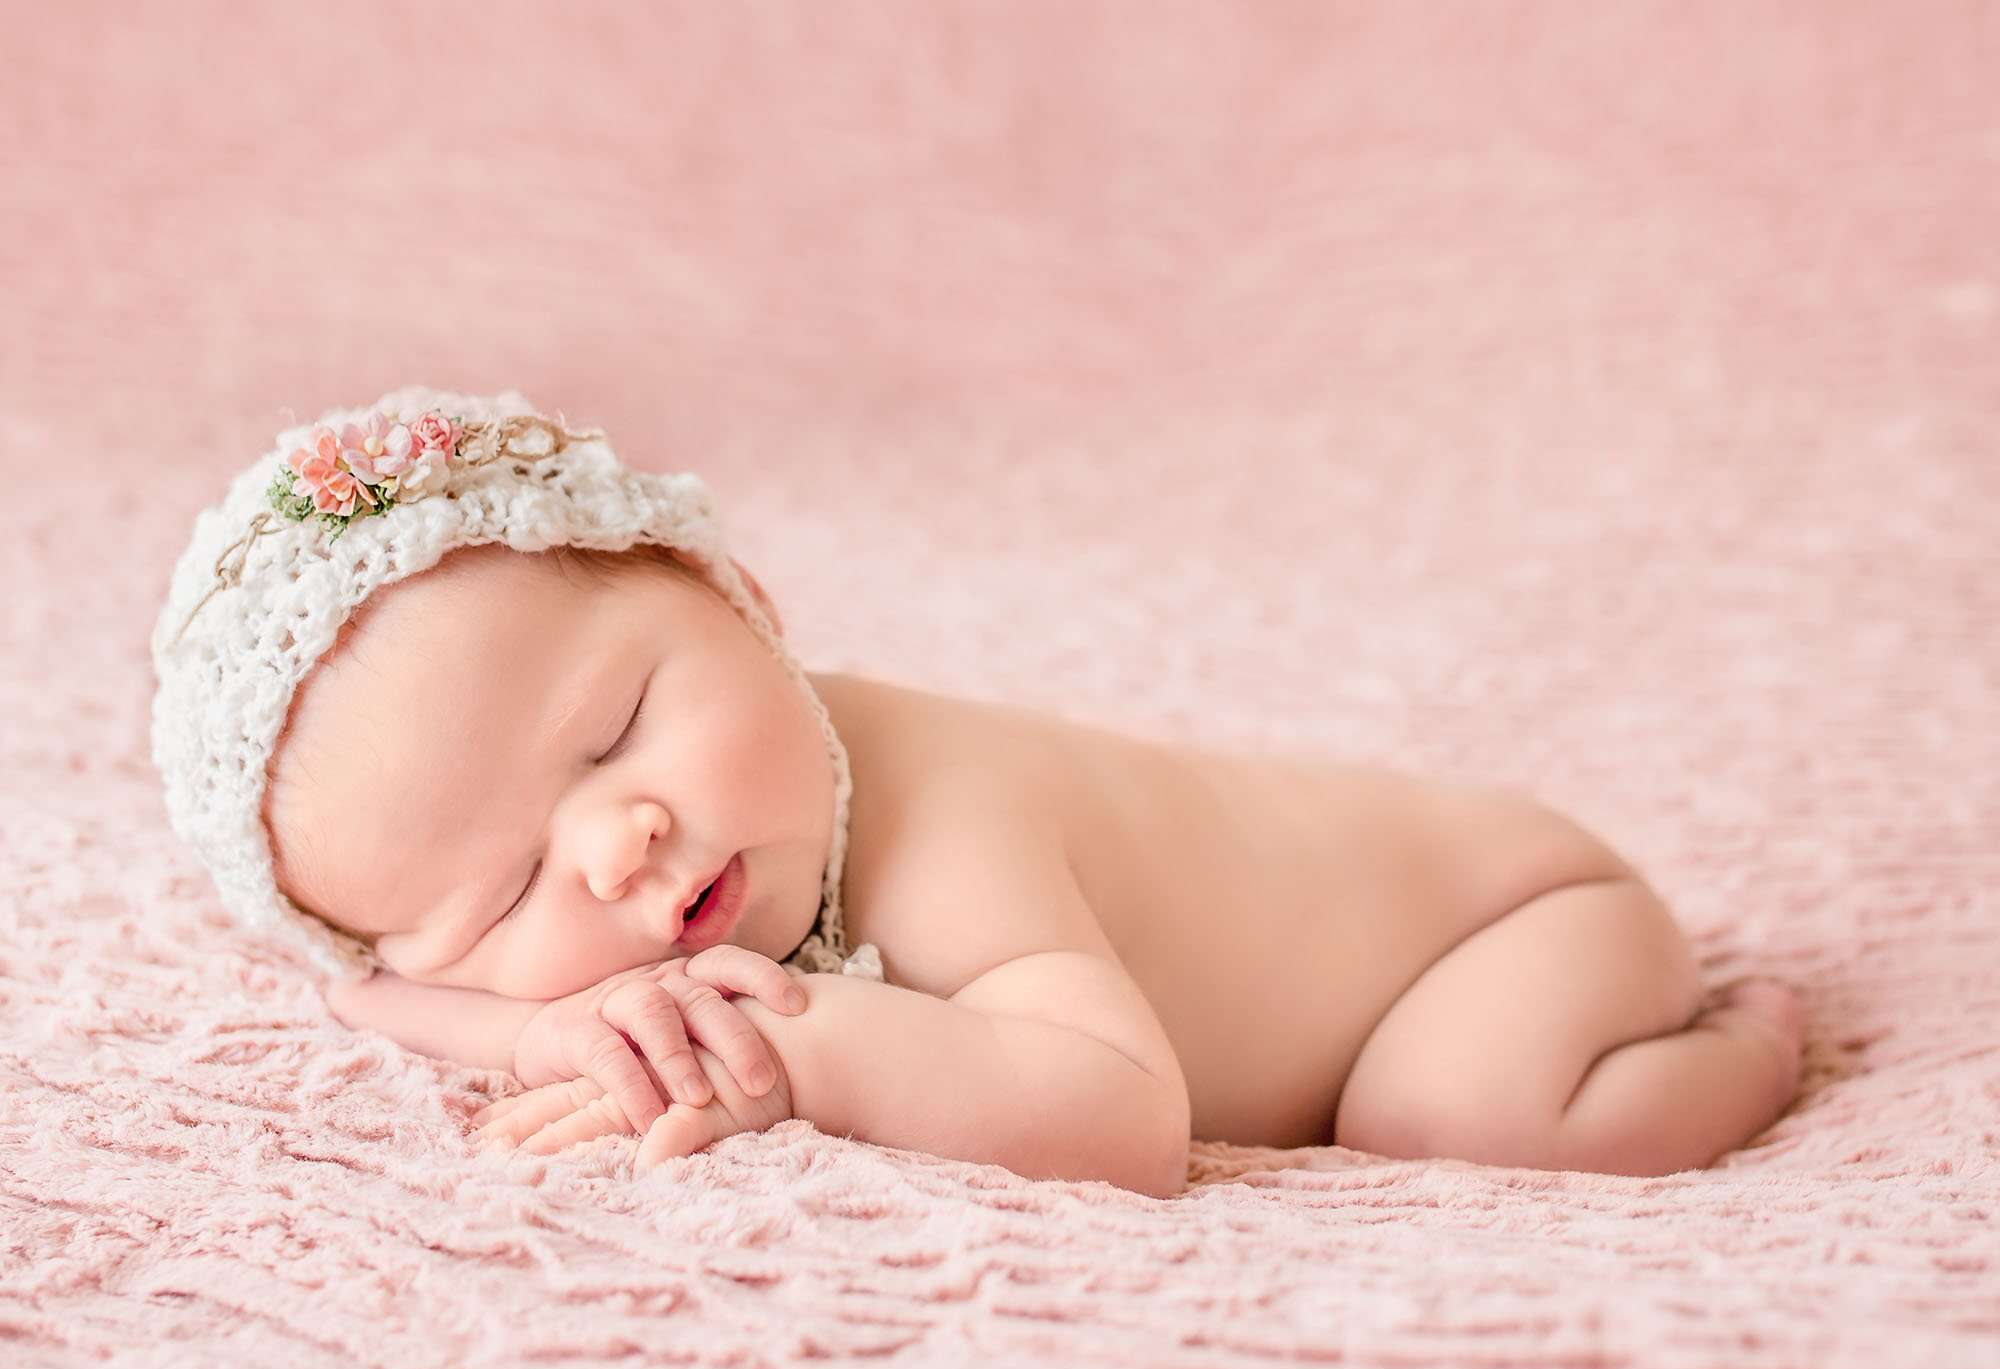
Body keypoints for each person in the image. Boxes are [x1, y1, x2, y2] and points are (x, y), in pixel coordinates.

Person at [151, 387, 1804, 1198]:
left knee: (1451, 1117)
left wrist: (812, 1057)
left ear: (737, 600)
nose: (610, 849)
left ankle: (1756, 1042)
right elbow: (377, 988)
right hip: (1463, 921)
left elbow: (1126, 1117)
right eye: (505, 895)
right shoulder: (639, 889)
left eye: (619, 728)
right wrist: (539, 1027)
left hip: (1507, 921)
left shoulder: (934, 817)